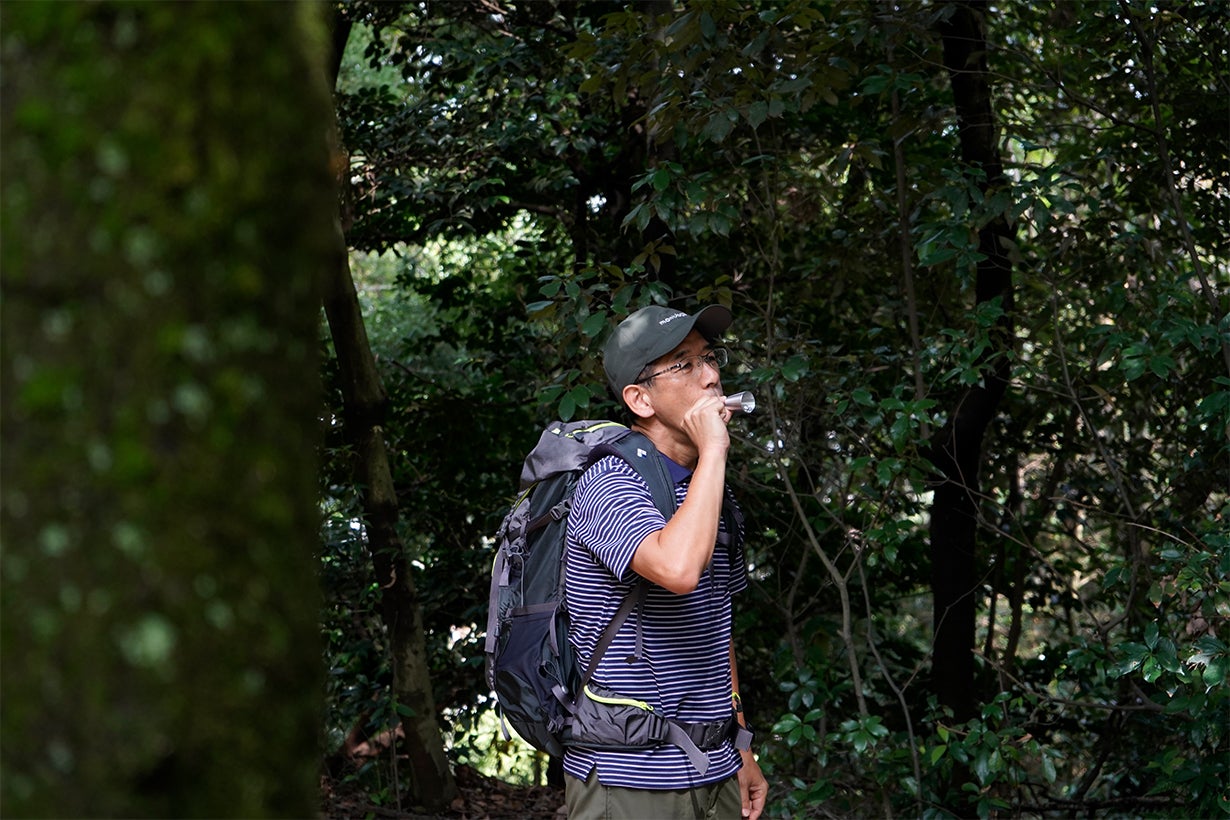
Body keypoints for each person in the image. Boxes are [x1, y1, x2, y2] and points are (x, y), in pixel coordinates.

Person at [563, 304, 769, 820]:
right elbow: (677, 571)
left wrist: (741, 742)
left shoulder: (707, 491)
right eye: (684, 364)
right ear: (640, 398)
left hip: (716, 767)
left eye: (709, 357)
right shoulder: (608, 484)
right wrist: (715, 446)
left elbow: (716, 626)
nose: (712, 375)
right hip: (628, 779)